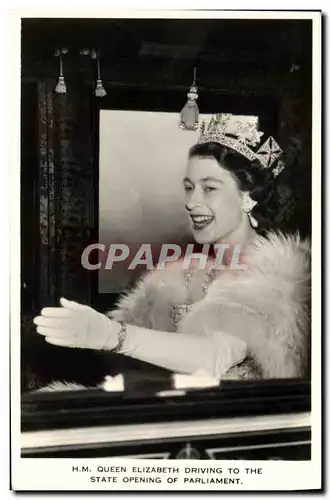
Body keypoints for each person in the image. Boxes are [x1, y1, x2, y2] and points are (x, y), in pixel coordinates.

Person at [33, 113, 311, 385]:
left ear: (248, 198)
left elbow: (219, 355)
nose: (192, 201)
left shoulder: (281, 279)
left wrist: (111, 336)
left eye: (209, 188)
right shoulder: (177, 278)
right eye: (189, 188)